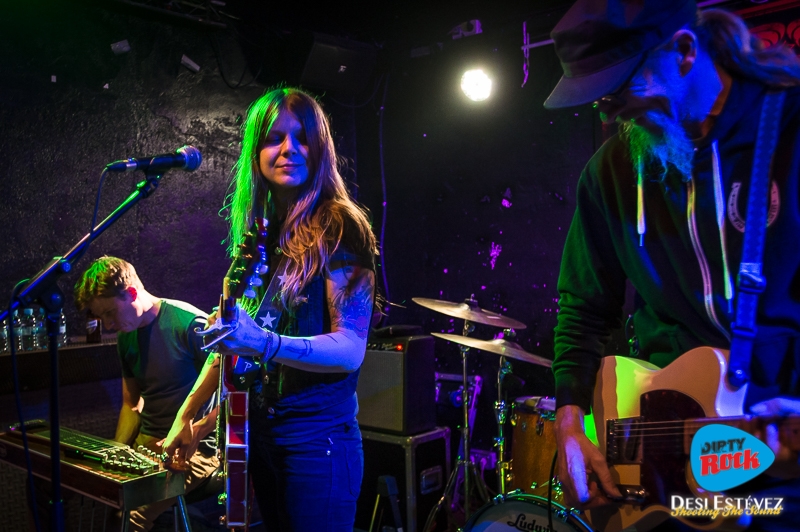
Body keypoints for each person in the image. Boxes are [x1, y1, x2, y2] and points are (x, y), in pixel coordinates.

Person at [544, 0, 800, 530]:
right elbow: (585, 310)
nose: (609, 115)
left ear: (684, 50)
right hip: (670, 478)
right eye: (599, 101)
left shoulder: (791, 132)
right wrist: (569, 421)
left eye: (618, 92)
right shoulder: (611, 173)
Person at [162, 87, 378, 532]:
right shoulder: (261, 232)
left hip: (318, 443)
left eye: (302, 138)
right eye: (274, 138)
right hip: (260, 439)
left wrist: (262, 342)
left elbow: (351, 347)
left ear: (320, 148)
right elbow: (231, 341)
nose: (288, 149)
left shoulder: (340, 224)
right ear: (255, 151)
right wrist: (191, 417)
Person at [73, 256, 219, 531]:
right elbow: (131, 405)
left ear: (130, 293)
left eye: (109, 313)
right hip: (147, 446)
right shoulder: (126, 336)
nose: (107, 325)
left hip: (195, 449)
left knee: (133, 515)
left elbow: (234, 392)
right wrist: (113, 452)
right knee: (95, 493)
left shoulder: (189, 323)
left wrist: (200, 428)